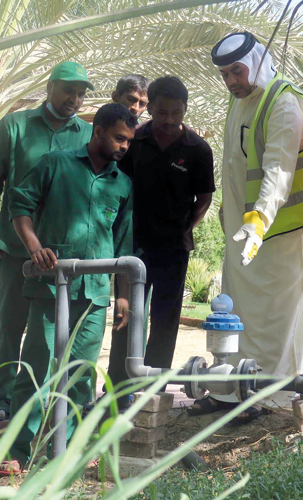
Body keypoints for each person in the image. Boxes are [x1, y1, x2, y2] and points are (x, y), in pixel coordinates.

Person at [0, 103, 137, 475]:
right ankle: (19, 454)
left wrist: (122, 294)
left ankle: (69, 450)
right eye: (119, 138)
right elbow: (19, 204)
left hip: (95, 296)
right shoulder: (54, 164)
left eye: (129, 141)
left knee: (80, 376)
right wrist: (33, 247)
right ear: (99, 131)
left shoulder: (122, 184)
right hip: (50, 288)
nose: (124, 146)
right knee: (36, 372)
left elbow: (123, 243)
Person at [188, 32, 303, 423]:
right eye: (225, 74)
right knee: (237, 317)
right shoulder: (241, 101)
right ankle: (230, 394)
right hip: (244, 238)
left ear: (258, 62)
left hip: (280, 238)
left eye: (237, 71)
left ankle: (267, 399)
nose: (231, 80)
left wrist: (259, 220)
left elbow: (278, 171)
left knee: (276, 323)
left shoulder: (284, 103)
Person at [0, 61, 94, 423]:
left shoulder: (87, 135)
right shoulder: (15, 125)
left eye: (80, 93)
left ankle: (40, 400)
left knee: (55, 331)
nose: (74, 99)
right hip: (16, 248)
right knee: (10, 325)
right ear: (50, 88)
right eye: (68, 91)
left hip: (63, 255)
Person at [105, 76, 215, 408]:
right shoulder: (132, 141)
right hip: (132, 247)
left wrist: (188, 227)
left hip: (173, 249)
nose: (168, 120)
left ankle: (154, 392)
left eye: (176, 113)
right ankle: (118, 393)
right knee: (127, 316)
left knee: (165, 319)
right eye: (162, 112)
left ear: (184, 110)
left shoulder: (198, 149)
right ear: (149, 107)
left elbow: (205, 197)